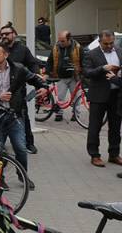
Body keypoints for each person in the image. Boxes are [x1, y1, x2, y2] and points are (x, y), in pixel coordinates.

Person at [0, 41, 47, 188]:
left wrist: (44, 87)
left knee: (20, 147)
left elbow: (34, 79)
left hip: (14, 115)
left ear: (6, 55)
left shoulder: (19, 69)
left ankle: (22, 175)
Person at [0, 23, 40, 153]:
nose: (4, 36)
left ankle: (28, 143)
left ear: (14, 35)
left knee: (22, 117)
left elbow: (32, 64)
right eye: (2, 34)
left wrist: (37, 75)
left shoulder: (22, 49)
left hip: (17, 92)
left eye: (7, 34)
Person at [84, 30, 122, 168]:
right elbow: (87, 73)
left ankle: (114, 154)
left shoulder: (119, 50)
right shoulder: (91, 54)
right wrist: (102, 68)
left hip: (116, 94)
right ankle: (94, 155)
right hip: (98, 95)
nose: (110, 46)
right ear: (100, 41)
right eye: (106, 44)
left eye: (112, 42)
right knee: (95, 126)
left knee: (116, 126)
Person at [45, 30, 82, 122]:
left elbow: (83, 60)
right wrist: (47, 72)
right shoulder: (55, 48)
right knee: (60, 97)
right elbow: (50, 61)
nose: (60, 43)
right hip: (60, 76)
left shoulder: (77, 47)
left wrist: (83, 72)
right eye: (59, 40)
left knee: (76, 97)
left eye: (63, 41)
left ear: (69, 39)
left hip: (74, 76)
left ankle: (75, 114)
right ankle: (59, 114)